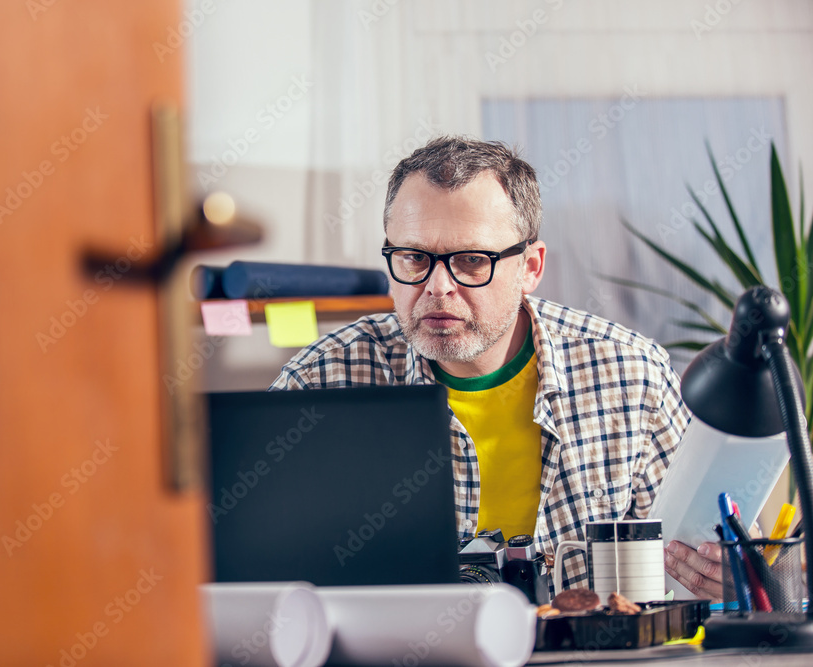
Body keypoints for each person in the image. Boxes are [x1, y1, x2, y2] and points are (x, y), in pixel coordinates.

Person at [270, 136, 720, 597]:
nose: (437, 287)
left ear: (530, 267)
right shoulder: (318, 383)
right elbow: (261, 571)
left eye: (471, 261)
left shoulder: (632, 375)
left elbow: (693, 563)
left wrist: (721, 572)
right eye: (414, 258)